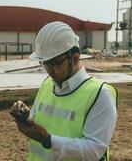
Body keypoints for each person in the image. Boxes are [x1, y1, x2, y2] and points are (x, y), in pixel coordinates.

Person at [10, 21, 117, 161]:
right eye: (44, 63)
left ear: (74, 58)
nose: (49, 70)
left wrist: (47, 140)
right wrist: (27, 117)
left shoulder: (99, 94)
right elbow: (40, 119)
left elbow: (93, 151)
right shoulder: (48, 84)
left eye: (53, 63)